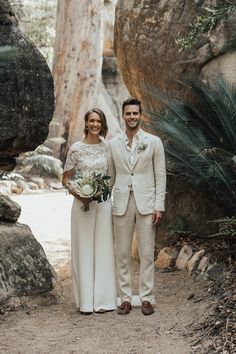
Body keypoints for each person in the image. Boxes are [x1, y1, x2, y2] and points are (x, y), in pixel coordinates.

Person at [108, 98, 166, 316]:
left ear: (141, 115)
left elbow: (160, 176)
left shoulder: (154, 142)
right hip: (121, 203)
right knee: (121, 253)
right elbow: (110, 177)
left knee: (146, 253)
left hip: (147, 204)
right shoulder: (113, 144)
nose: (132, 117)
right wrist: (98, 198)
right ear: (123, 116)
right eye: (128, 114)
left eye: (135, 113)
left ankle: (147, 298)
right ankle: (124, 298)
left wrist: (158, 206)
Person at [62, 108, 117, 314]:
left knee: (103, 249)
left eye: (99, 121)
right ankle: (86, 302)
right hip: (81, 205)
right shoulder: (76, 148)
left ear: (102, 124)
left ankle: (103, 300)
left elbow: (111, 176)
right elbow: (66, 178)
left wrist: (105, 191)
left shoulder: (107, 148)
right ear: (86, 123)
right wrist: (80, 195)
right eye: (92, 121)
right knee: (84, 249)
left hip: (103, 204)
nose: (95, 124)